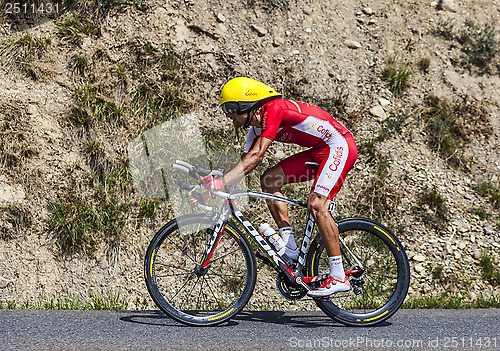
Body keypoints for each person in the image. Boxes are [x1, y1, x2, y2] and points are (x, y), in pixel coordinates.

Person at [200, 77, 358, 297]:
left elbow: (256, 156)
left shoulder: (274, 109)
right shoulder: (255, 130)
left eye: (230, 108)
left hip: (339, 145)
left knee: (317, 204)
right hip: (318, 150)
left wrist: (221, 182)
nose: (228, 115)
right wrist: (212, 187)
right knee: (270, 180)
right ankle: (290, 247)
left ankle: (339, 276)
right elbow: (245, 165)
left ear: (245, 104)